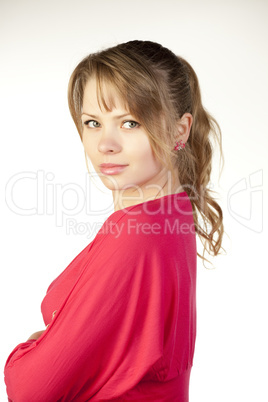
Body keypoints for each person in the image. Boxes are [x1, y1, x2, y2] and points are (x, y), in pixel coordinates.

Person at [4, 40, 224, 401]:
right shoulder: (173, 209)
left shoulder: (137, 234)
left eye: (130, 122)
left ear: (179, 130)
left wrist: (31, 348)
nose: (105, 143)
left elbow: (29, 390)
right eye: (93, 122)